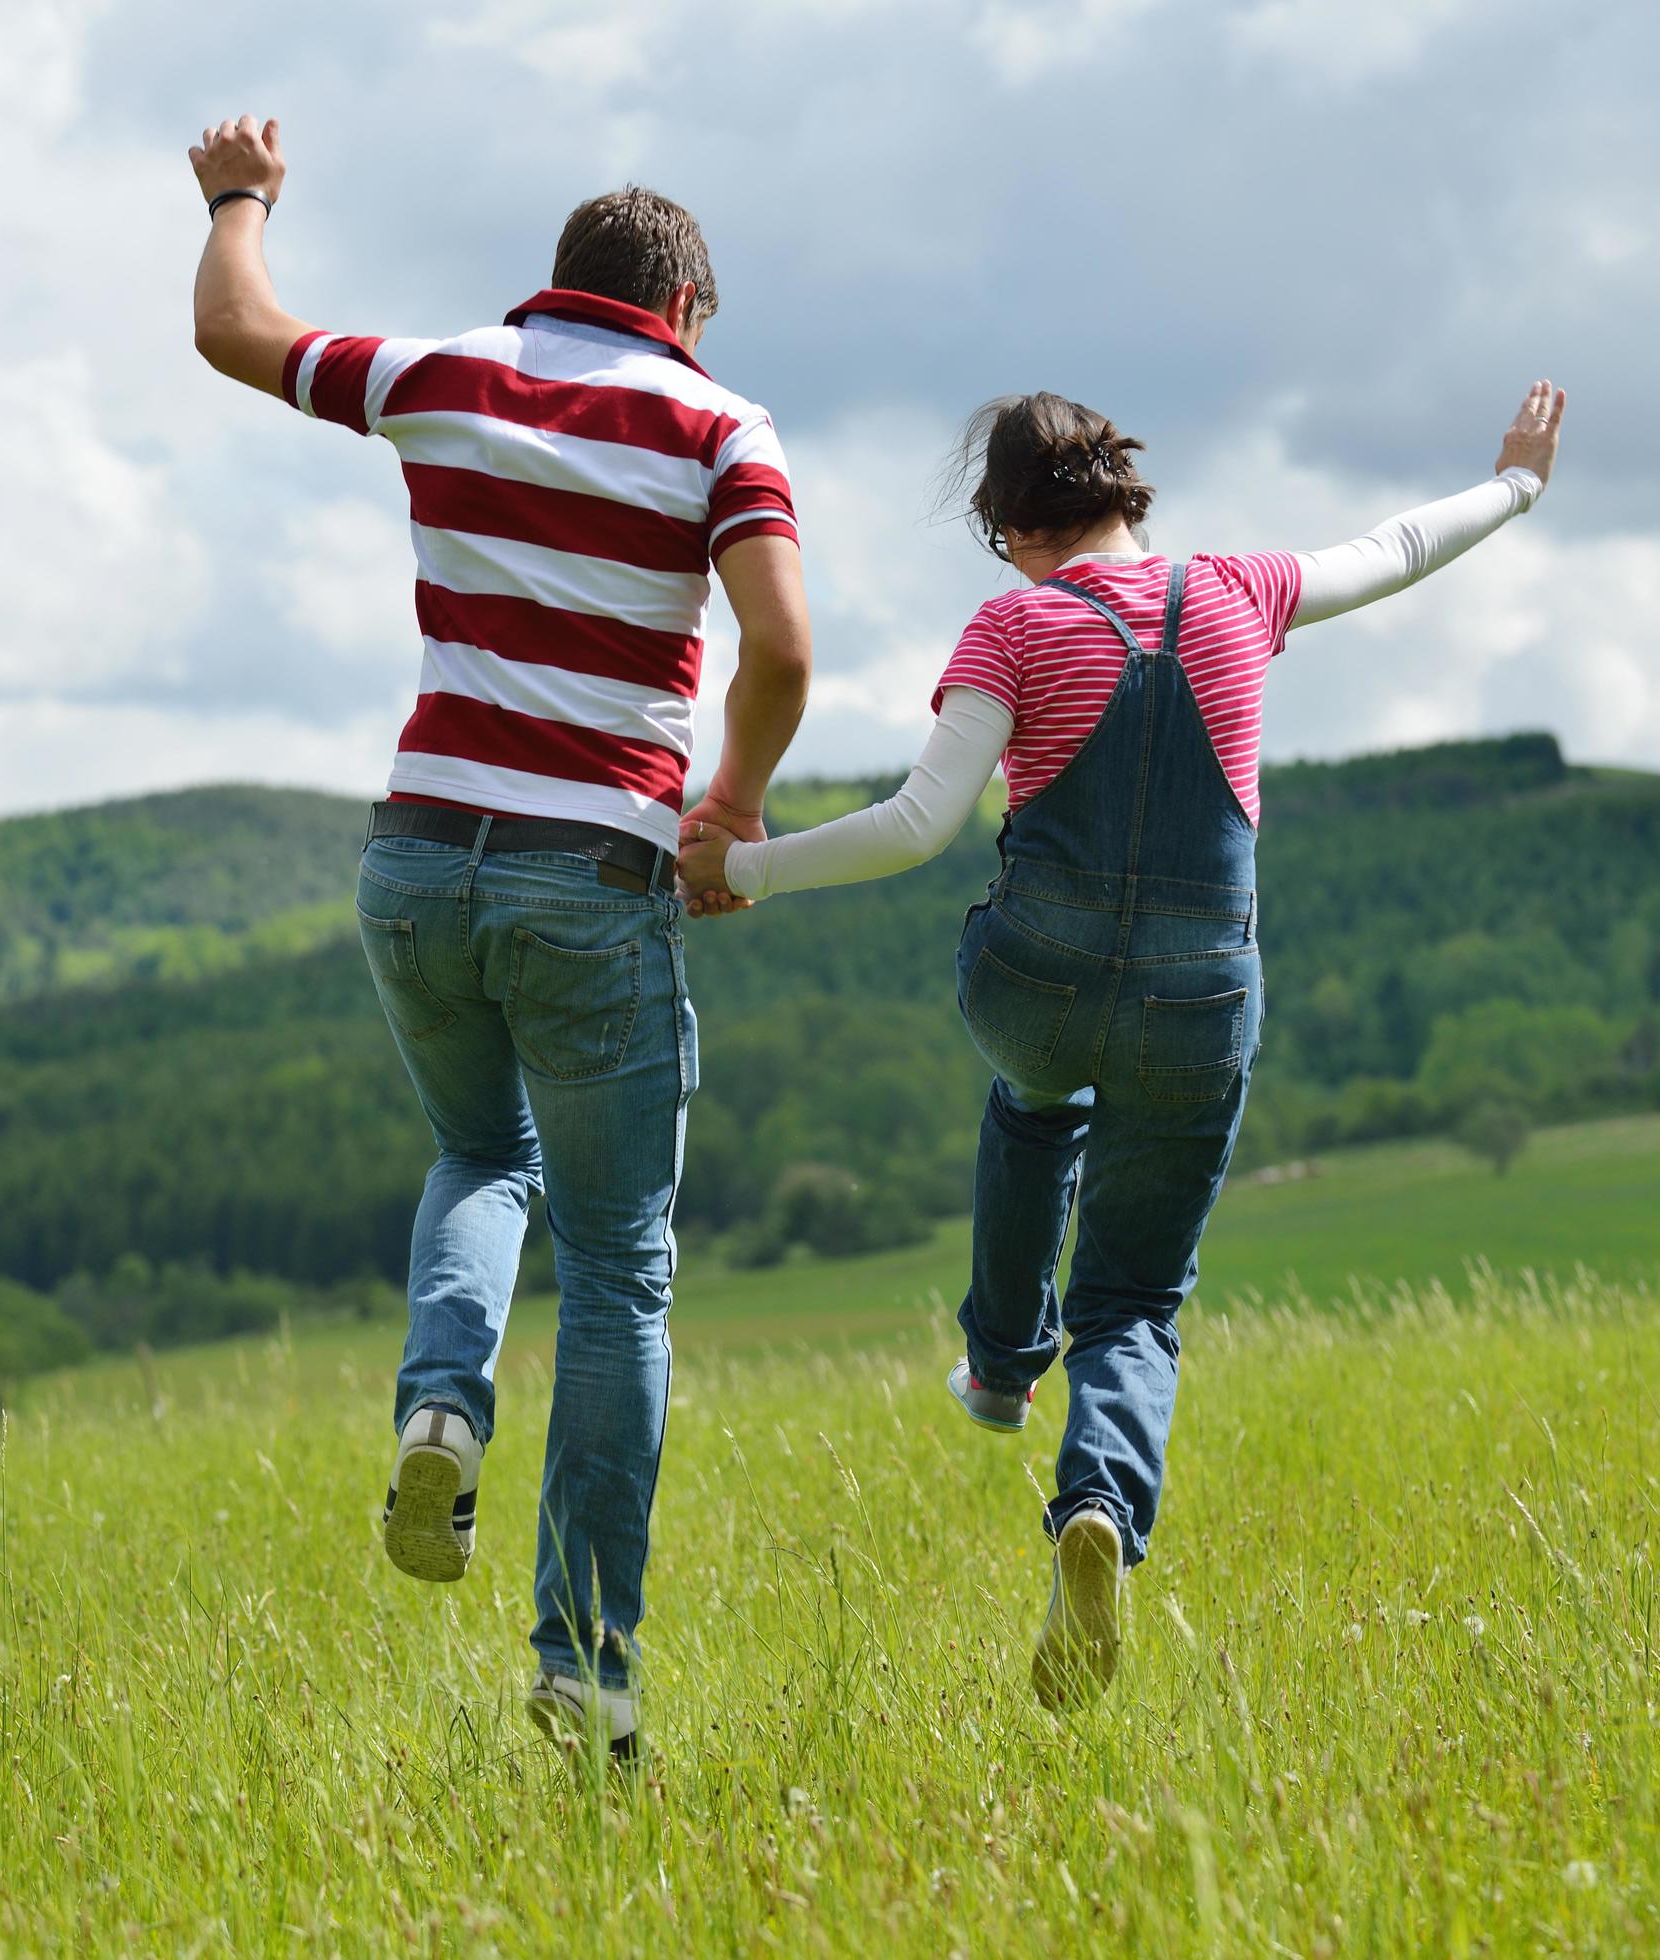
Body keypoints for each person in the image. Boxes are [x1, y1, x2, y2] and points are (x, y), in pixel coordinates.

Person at [679, 381, 1567, 1709]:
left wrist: (747, 871)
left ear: (1007, 527)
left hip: (1033, 979)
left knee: (1035, 1099)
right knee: (1136, 1299)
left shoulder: (1015, 622)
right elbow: (1389, 550)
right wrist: (1514, 486)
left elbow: (921, 825)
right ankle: (1093, 1502)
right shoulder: (1236, 594)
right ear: (1122, 497)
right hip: (1198, 998)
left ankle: (995, 1362)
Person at [187, 117, 814, 1763]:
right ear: (682, 304)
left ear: (560, 279)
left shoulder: (444, 375)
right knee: (618, 1273)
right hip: (588, 873)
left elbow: (231, 332)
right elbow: (782, 652)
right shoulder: (719, 426)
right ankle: (583, 1664)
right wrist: (729, 806)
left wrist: (240, 198)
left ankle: (441, 1407)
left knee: (480, 1155)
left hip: (414, 858)